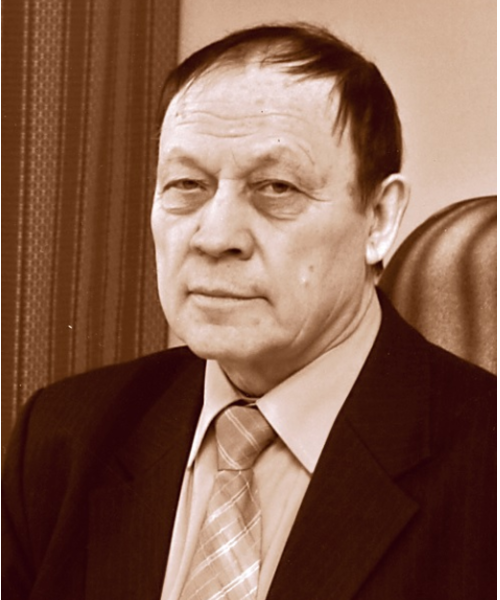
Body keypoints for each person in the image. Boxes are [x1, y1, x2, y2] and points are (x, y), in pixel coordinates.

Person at [2, 23, 495, 600]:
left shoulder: (486, 468)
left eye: (277, 188)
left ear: (379, 220)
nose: (215, 237)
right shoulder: (65, 438)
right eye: (187, 184)